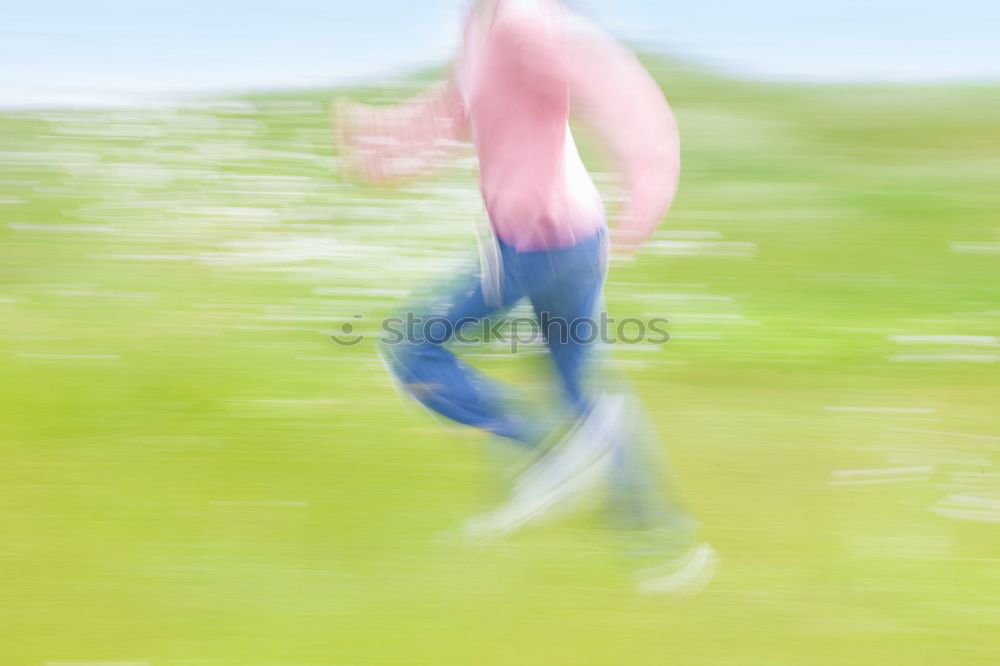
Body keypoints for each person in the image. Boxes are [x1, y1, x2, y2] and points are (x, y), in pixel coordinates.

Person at [334, 0, 717, 594]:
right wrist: (377, 143)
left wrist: (647, 181)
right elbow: (452, 111)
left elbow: (612, 89)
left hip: (540, 246)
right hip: (570, 240)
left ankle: (546, 457)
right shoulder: (480, 25)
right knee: (582, 391)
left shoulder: (522, 22)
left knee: (413, 350)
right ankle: (665, 550)